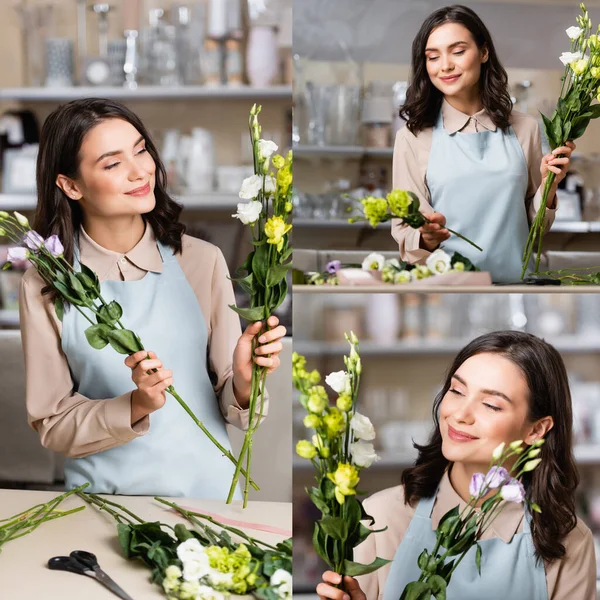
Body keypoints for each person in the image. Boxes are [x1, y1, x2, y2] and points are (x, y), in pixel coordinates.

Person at [19, 98, 286, 499]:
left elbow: (235, 406)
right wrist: (136, 403)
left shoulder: (201, 261)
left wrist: (246, 382)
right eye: (112, 164)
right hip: (105, 504)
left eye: (141, 150)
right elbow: (52, 424)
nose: (140, 171)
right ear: (70, 185)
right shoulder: (47, 280)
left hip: (209, 500)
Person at [317, 331, 596, 599]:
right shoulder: (379, 518)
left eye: (490, 405)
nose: (460, 414)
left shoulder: (568, 541)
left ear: (537, 429)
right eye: (457, 390)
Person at [392, 5, 575, 283]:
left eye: (458, 51)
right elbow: (406, 238)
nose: (445, 66)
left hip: (517, 290)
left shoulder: (525, 128)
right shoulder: (413, 137)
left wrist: (549, 186)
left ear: (484, 52)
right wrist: (426, 238)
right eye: (433, 56)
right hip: (446, 292)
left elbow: (534, 232)